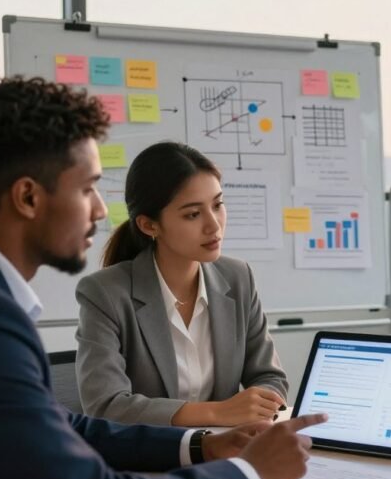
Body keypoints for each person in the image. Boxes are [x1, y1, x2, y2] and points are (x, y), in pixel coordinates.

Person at [0, 76, 325, 479]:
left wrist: (201, 447)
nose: (98, 210)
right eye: (88, 188)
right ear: (28, 197)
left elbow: (66, 427)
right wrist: (248, 475)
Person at [75, 142, 288, 426]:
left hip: (226, 452)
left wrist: (261, 403)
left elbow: (269, 377)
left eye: (217, 204)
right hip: (150, 461)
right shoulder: (105, 294)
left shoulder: (238, 278)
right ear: (149, 225)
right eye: (192, 214)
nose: (214, 225)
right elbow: (106, 405)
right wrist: (217, 413)